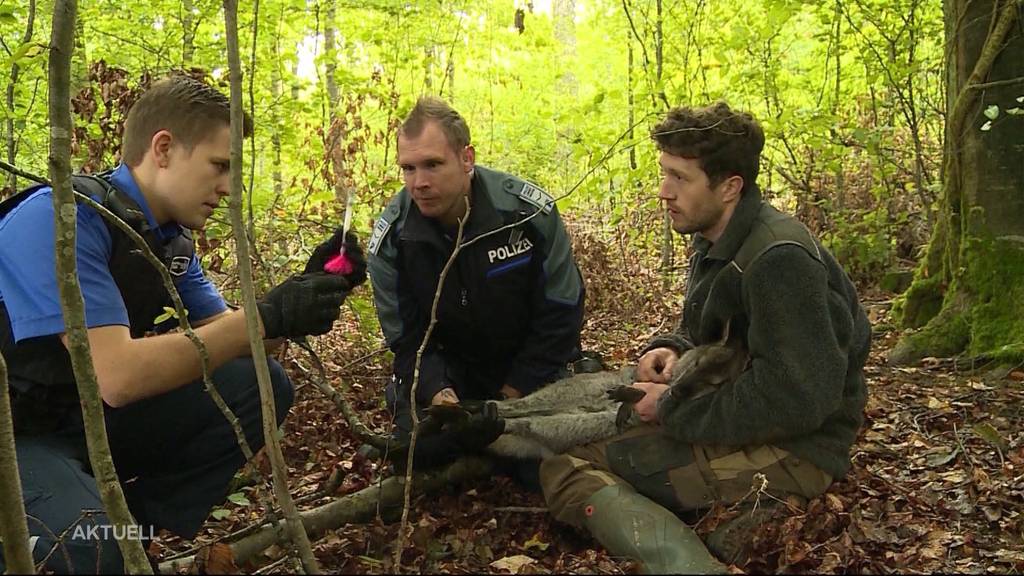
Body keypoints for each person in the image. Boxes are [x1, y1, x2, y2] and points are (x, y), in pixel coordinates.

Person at [0, 76, 366, 573]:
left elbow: (241, 344)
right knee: (88, 545)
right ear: (164, 149)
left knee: (259, 384)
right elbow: (119, 378)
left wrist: (306, 293)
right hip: (15, 433)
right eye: (220, 166)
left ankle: (135, 534)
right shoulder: (63, 218)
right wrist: (262, 318)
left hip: (78, 421)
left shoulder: (167, 243)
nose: (228, 187)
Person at [538, 102, 871, 573]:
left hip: (799, 449)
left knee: (566, 468)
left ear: (730, 186)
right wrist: (670, 349)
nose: (663, 192)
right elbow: (707, 331)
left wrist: (672, 409)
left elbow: (798, 398)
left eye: (680, 178)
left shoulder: (778, 260)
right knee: (571, 435)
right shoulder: (718, 235)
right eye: (663, 174)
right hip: (734, 413)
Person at [366, 96, 586, 470]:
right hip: (454, 379)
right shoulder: (392, 239)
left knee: (544, 466)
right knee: (415, 457)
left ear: (466, 158)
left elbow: (561, 317)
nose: (419, 183)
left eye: (433, 165)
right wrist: (442, 397)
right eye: (408, 168)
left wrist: (508, 398)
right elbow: (408, 342)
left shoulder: (528, 214)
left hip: (530, 372)